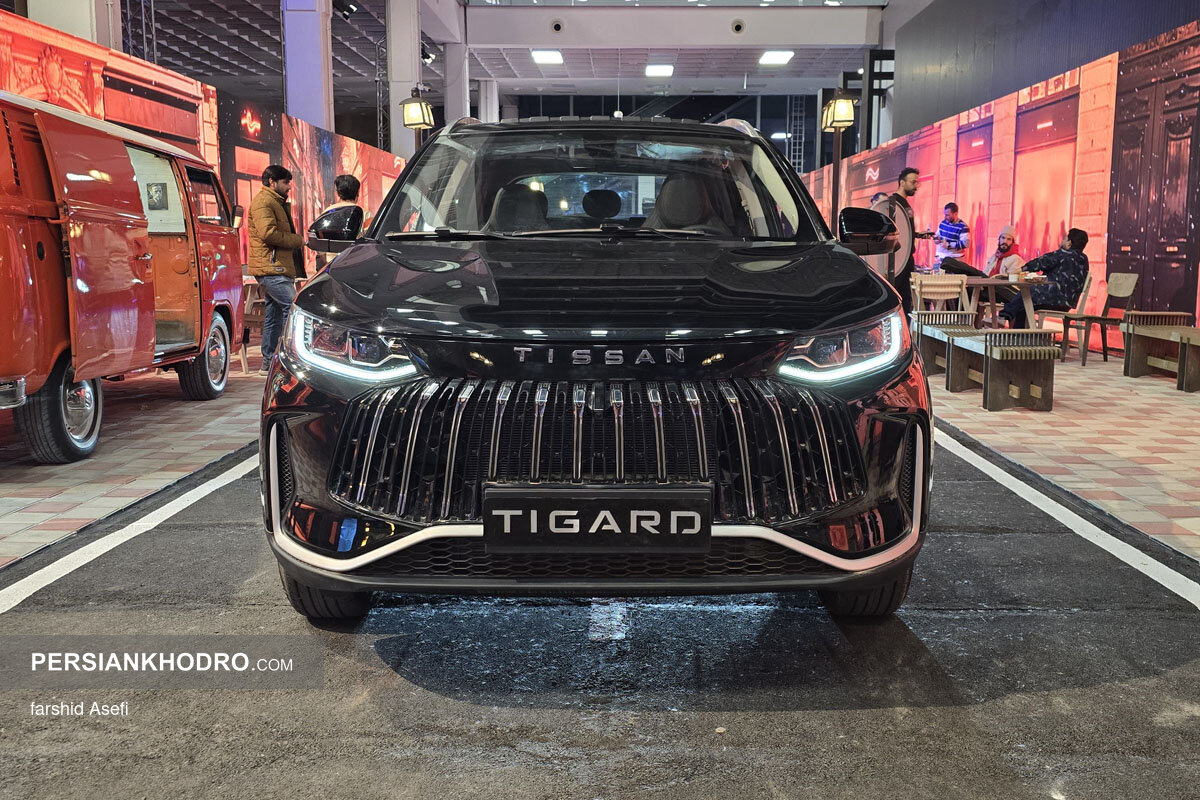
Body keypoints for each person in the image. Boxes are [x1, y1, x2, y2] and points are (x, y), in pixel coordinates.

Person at [248, 165, 305, 376]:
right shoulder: (264, 202)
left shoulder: (274, 202)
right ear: (272, 182)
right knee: (295, 310)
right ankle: (294, 360)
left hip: (275, 267)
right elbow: (268, 233)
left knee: (273, 317)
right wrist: (298, 240)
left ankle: (267, 364)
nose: (289, 187)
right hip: (272, 268)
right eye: (285, 182)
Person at [1000, 227, 1090, 328]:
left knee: (1025, 295)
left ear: (1069, 243)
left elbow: (1038, 263)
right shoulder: (1084, 260)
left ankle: (1004, 317)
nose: (1061, 241)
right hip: (1068, 304)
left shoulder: (1061, 254)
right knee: (1023, 304)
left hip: (1051, 300)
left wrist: (1021, 269)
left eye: (1064, 239)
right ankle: (1015, 328)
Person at [871, 167, 927, 314]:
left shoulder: (904, 204)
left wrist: (917, 235)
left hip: (906, 258)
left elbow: (903, 230)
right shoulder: (893, 203)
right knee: (898, 297)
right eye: (913, 182)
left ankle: (905, 324)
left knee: (906, 297)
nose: (916, 186)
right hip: (897, 260)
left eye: (917, 182)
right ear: (902, 182)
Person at [934, 202, 970, 268]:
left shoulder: (963, 226)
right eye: (945, 215)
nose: (945, 217)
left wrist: (949, 245)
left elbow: (966, 243)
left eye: (947, 215)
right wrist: (936, 239)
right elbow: (937, 235)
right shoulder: (943, 223)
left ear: (955, 214)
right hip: (940, 257)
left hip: (955, 259)